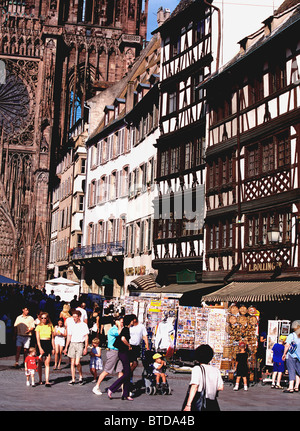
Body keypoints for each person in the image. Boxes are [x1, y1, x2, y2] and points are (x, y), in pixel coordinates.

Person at [183, 344, 224, 411]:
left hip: (200, 404)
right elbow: (221, 387)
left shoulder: (197, 369)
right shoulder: (216, 370)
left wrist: (188, 405)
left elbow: (195, 386)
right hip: (212, 404)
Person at [92, 316, 124, 395]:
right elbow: (119, 334)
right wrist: (119, 325)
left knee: (121, 371)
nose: (122, 324)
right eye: (121, 322)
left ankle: (124, 390)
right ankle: (96, 386)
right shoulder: (113, 330)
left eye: (122, 322)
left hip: (120, 351)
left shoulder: (121, 329)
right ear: (116, 322)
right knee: (107, 370)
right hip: (113, 351)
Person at [107, 314, 135, 401]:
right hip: (123, 353)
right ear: (130, 321)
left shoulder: (126, 329)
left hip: (124, 352)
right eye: (133, 320)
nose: (134, 321)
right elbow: (123, 338)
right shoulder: (126, 329)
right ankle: (112, 388)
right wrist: (129, 345)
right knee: (126, 373)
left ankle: (125, 394)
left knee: (127, 373)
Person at [63, 309, 89, 385]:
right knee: (72, 363)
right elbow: (69, 336)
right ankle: (73, 379)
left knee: (77, 363)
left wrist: (86, 347)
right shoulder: (71, 325)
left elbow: (86, 337)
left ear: (79, 317)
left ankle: (80, 375)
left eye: (75, 317)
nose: (74, 318)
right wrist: (66, 347)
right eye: (73, 317)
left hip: (80, 344)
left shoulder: (84, 325)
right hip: (72, 344)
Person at [35, 312, 55, 387]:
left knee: (47, 363)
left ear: (47, 318)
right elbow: (37, 339)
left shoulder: (50, 326)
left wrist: (53, 347)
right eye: (42, 318)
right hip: (41, 343)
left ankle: (47, 380)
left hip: (48, 343)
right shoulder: (38, 326)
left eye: (45, 318)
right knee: (39, 363)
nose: (43, 319)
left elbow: (52, 338)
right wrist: (40, 348)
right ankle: (40, 379)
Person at [282, 320, 300, 393]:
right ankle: (296, 387)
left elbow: (287, 345)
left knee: (291, 370)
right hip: (299, 357)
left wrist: (284, 354)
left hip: (291, 355)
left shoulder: (291, 335)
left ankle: (291, 387)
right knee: (298, 372)